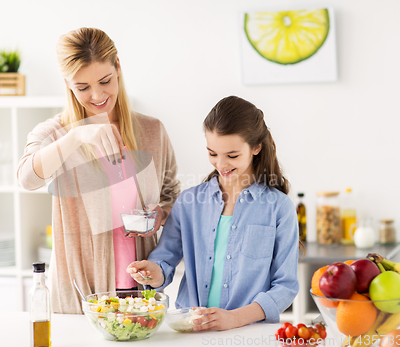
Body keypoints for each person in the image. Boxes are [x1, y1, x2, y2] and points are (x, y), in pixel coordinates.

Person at [17, 27, 180, 314]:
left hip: (140, 292)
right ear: (68, 84)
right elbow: (26, 178)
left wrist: (160, 215)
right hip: (81, 296)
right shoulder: (56, 135)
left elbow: (172, 196)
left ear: (118, 67)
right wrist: (76, 136)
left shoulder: (152, 131)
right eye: (82, 87)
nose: (97, 95)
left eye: (105, 81)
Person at [128, 96, 301, 330]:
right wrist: (153, 273)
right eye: (212, 153)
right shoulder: (189, 202)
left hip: (249, 333)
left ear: (256, 147)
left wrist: (234, 318)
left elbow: (285, 287)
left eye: (232, 156)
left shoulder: (278, 208)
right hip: (191, 330)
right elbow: (164, 261)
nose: (221, 164)